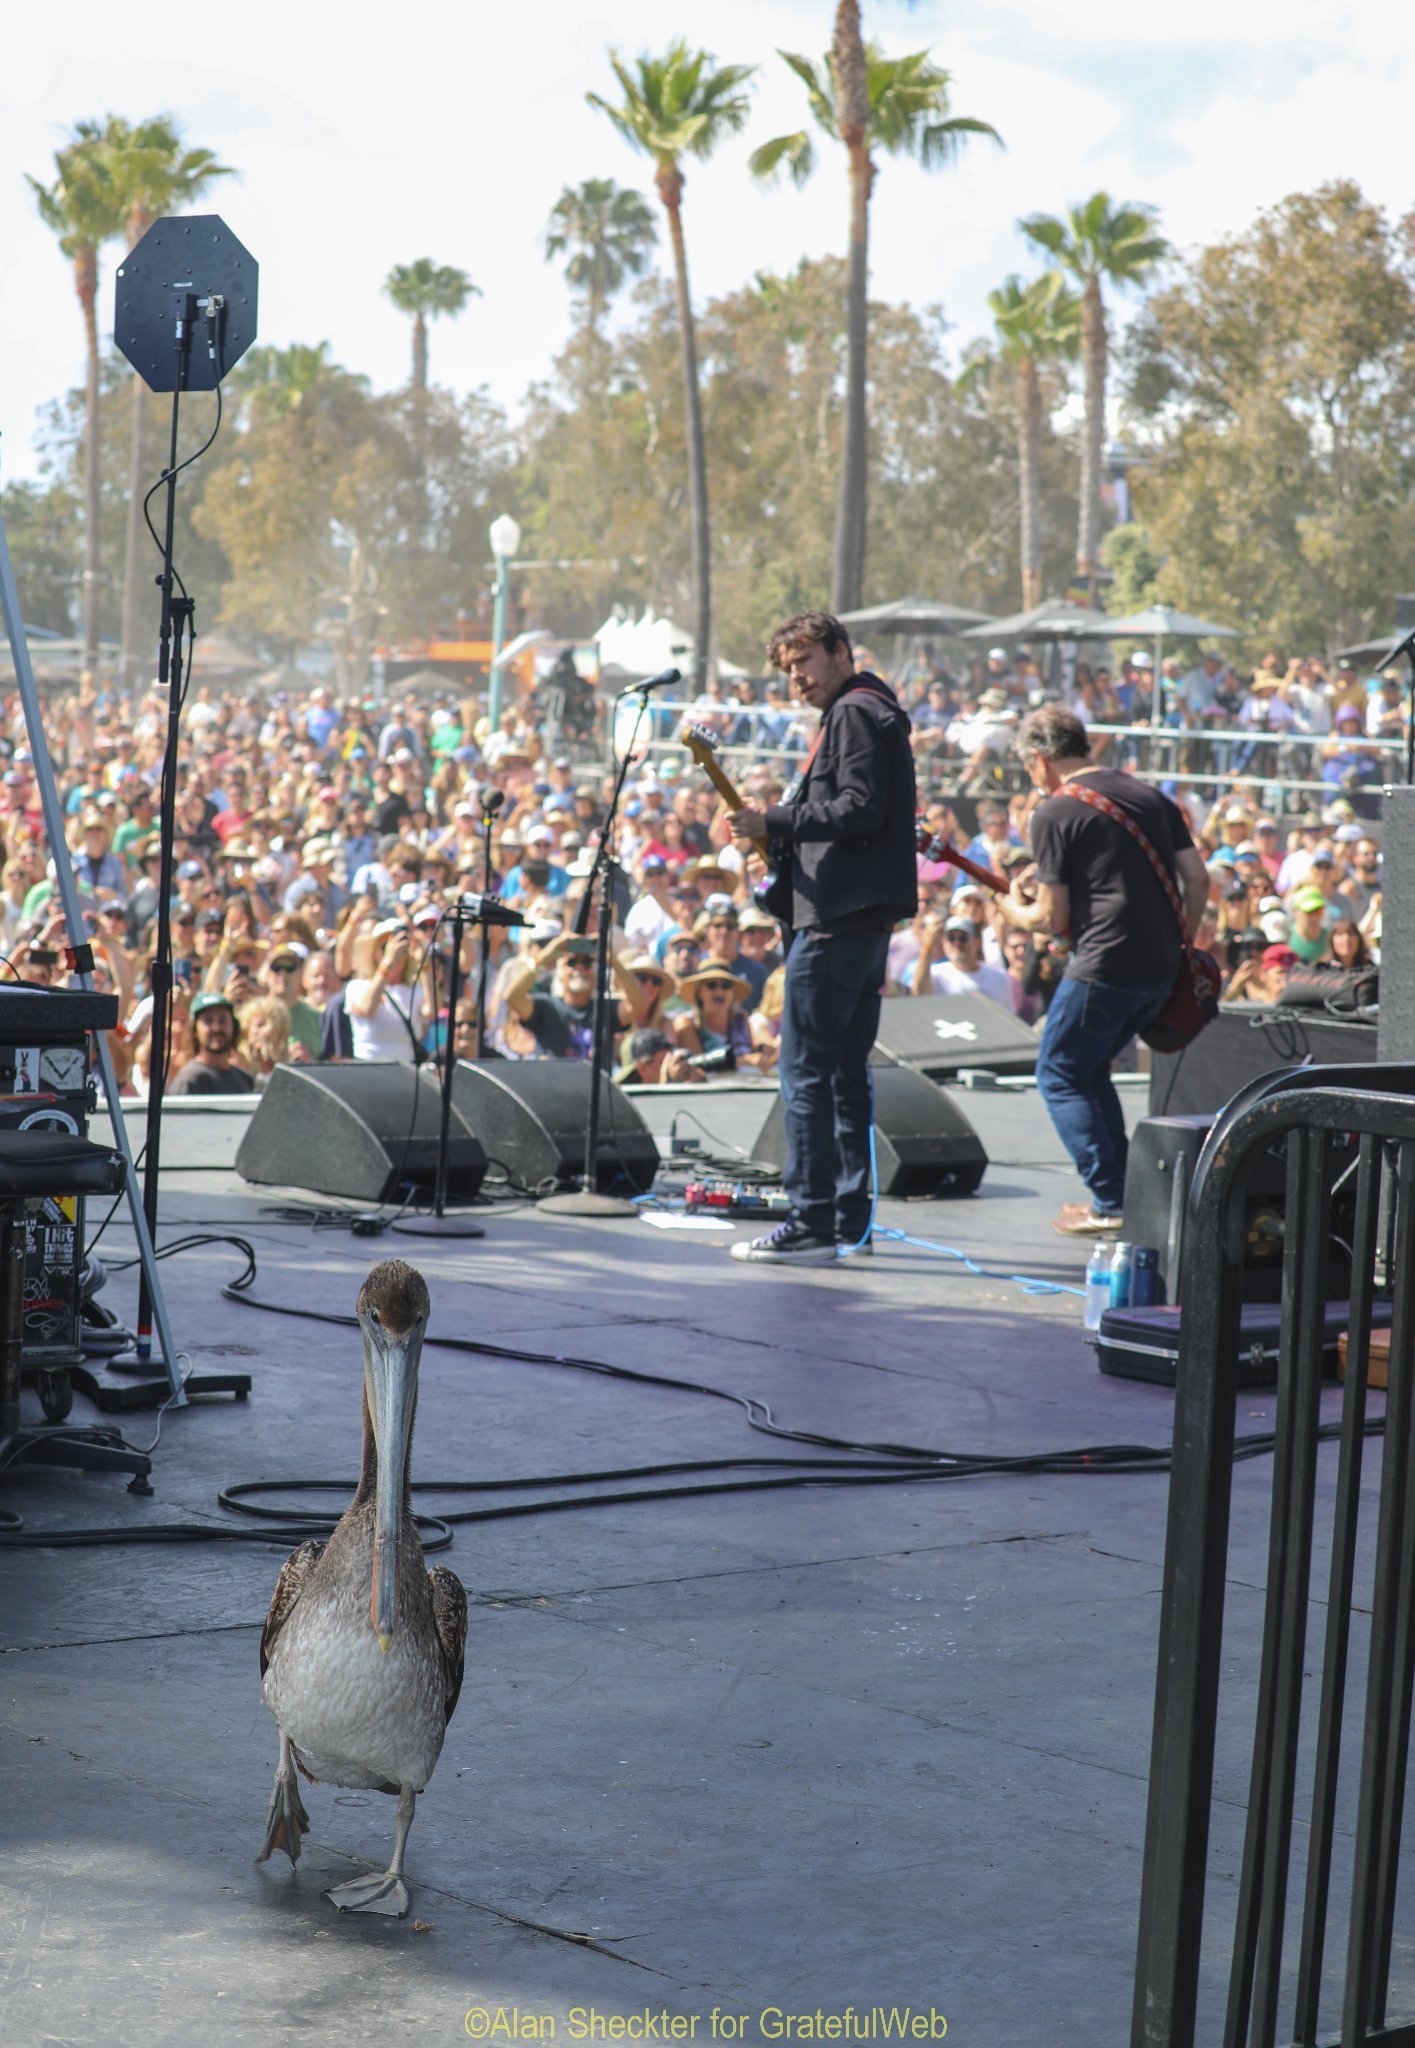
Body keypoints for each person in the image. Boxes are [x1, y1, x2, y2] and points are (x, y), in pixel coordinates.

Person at [725, 609, 918, 1264]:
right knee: (843, 1075)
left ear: (841, 651)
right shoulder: (872, 710)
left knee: (805, 1071)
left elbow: (859, 807)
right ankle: (847, 1222)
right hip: (860, 918)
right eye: (787, 669)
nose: (796, 679)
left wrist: (772, 820)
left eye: (804, 662)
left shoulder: (855, 713)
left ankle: (810, 1222)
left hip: (837, 919)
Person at [1006, 705, 1208, 1236]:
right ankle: (1121, 1196)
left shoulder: (1054, 810)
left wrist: (1012, 911)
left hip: (1104, 965)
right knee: (1090, 1071)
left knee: (1058, 1072)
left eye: (1028, 766)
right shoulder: (1150, 796)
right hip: (1160, 968)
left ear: (1041, 759)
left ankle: (1110, 1200)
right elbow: (1198, 878)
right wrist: (1181, 941)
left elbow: (1050, 915)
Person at [167, 992, 255, 1096]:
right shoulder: (189, 1080)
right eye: (208, 1021)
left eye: (223, 1020)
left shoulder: (244, 1079)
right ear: (195, 1029)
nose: (216, 1028)